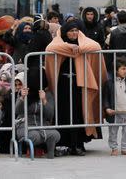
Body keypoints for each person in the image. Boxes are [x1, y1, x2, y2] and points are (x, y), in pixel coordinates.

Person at [44, 21, 107, 156]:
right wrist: (68, 46)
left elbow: (95, 46)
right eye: (71, 31)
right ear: (65, 31)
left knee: (79, 112)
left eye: (76, 30)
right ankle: (62, 144)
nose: (74, 33)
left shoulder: (84, 43)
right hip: (63, 87)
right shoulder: (58, 43)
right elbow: (50, 48)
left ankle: (77, 144)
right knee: (63, 113)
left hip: (79, 86)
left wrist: (79, 48)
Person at [14, 72, 61, 159]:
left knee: (55, 134)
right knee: (34, 135)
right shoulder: (24, 92)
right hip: (25, 125)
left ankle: (50, 154)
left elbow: (50, 115)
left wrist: (44, 100)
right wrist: (22, 98)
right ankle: (32, 150)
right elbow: (17, 111)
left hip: (42, 125)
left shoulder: (47, 94)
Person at [102, 58, 126, 156]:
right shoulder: (109, 83)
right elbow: (105, 98)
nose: (125, 71)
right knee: (113, 131)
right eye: (123, 69)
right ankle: (114, 148)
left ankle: (125, 148)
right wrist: (107, 108)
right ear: (116, 70)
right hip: (114, 112)